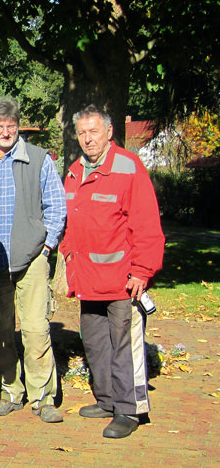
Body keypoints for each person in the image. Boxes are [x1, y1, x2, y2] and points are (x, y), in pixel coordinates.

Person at [60, 104, 164, 439]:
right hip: (88, 281)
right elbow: (70, 223)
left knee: (124, 347)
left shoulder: (128, 167)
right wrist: (66, 256)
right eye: (82, 133)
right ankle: (106, 400)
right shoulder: (75, 170)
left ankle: (129, 410)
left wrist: (142, 271)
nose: (87, 139)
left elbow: (147, 225)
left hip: (123, 280)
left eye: (93, 132)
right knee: (95, 343)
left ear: (109, 132)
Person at [0, 97, 67, 423]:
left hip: (32, 258)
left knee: (37, 329)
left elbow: (56, 206)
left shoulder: (39, 159)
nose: (6, 131)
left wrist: (47, 246)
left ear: (18, 125)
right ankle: (10, 391)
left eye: (11, 125)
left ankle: (43, 397)